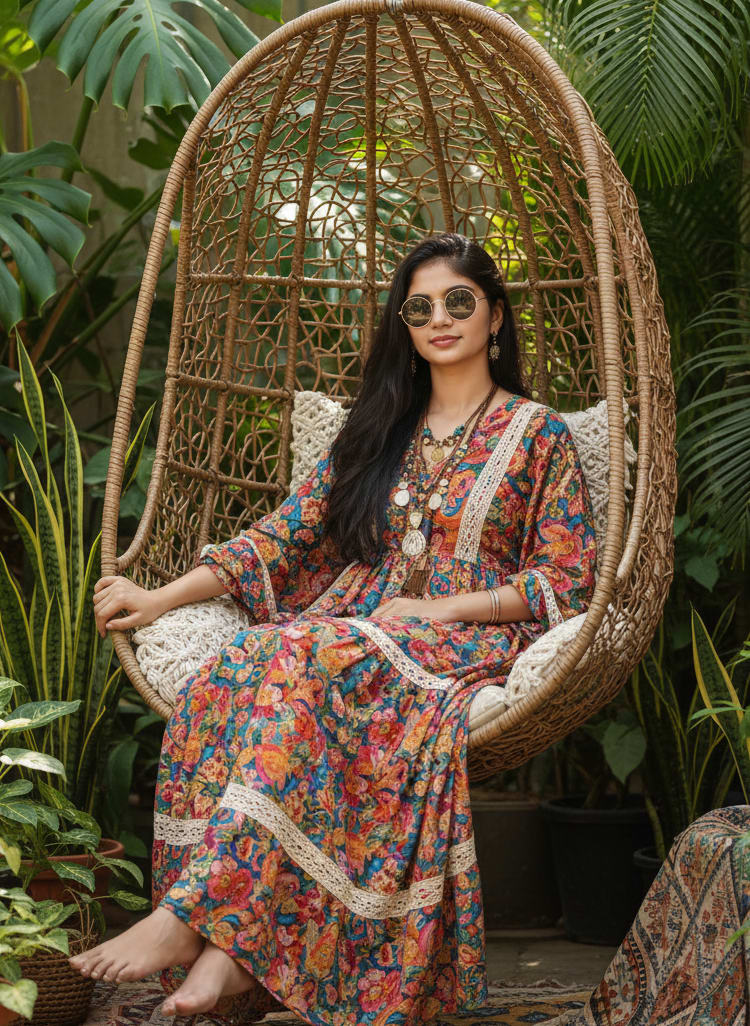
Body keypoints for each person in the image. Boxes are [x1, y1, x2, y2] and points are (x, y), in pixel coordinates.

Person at [70, 233, 597, 1025]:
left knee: (314, 650)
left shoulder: (538, 436)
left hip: (464, 637)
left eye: (460, 301)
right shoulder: (379, 428)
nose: (440, 319)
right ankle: (226, 951)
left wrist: (440, 608)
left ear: (495, 316)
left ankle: (188, 920)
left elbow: (566, 580)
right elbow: (283, 538)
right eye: (420, 308)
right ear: (405, 327)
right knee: (254, 655)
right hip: (355, 627)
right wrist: (160, 597)